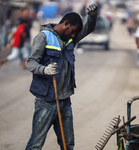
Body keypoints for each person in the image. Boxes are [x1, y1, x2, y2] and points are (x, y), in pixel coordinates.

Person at [25, 3, 98, 150]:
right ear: (66, 24)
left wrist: (92, 16)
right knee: (36, 144)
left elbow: (88, 29)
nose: (74, 35)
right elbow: (31, 62)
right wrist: (44, 70)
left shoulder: (71, 39)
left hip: (64, 101)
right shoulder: (43, 37)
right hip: (46, 101)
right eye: (73, 31)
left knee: (68, 144)